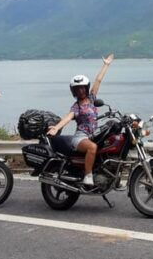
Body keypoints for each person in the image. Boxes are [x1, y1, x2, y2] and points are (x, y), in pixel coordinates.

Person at [47, 53, 114, 186]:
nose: (81, 91)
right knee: (92, 147)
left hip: (93, 135)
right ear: (74, 92)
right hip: (80, 138)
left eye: (83, 88)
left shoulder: (92, 98)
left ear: (86, 88)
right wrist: (56, 127)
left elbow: (98, 80)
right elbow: (67, 118)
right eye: (78, 89)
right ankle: (88, 176)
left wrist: (106, 65)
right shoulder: (76, 107)